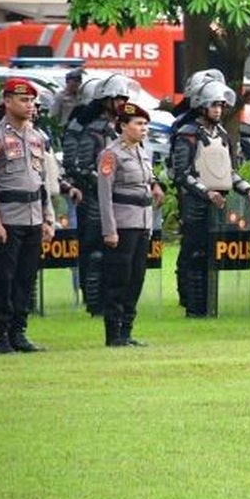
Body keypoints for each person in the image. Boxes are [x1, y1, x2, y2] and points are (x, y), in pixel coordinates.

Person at [169, 80, 250, 317]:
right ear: (201, 106)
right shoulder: (187, 134)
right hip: (196, 203)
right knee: (195, 255)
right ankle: (195, 308)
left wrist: (247, 188)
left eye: (221, 105)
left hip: (219, 203)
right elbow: (181, 173)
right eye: (214, 105)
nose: (218, 110)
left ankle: (210, 306)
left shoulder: (222, 134)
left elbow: (228, 171)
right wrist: (206, 192)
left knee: (213, 257)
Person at [0, 79, 56, 354]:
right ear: (7, 102)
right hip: (7, 217)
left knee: (25, 278)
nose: (30, 106)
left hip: (33, 217)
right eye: (23, 100)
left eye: (32, 101)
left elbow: (42, 181)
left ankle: (18, 332)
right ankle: (1, 336)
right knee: (2, 279)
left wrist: (48, 217)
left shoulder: (36, 137)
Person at [97, 102, 165, 346]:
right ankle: (114, 333)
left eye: (145, 124)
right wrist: (110, 230)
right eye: (138, 124)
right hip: (123, 224)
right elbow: (104, 194)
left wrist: (155, 187)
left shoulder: (141, 151)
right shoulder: (111, 154)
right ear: (123, 126)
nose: (143, 128)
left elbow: (146, 181)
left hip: (142, 222)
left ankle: (126, 330)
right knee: (119, 278)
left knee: (137, 278)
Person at [75, 75, 134, 315]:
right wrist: (104, 183)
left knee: (119, 254)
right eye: (117, 99)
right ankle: (95, 303)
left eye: (124, 99)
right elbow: (82, 166)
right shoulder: (93, 130)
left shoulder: (124, 129)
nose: (121, 103)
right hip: (96, 200)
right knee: (96, 253)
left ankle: (115, 300)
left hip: (121, 202)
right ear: (105, 101)